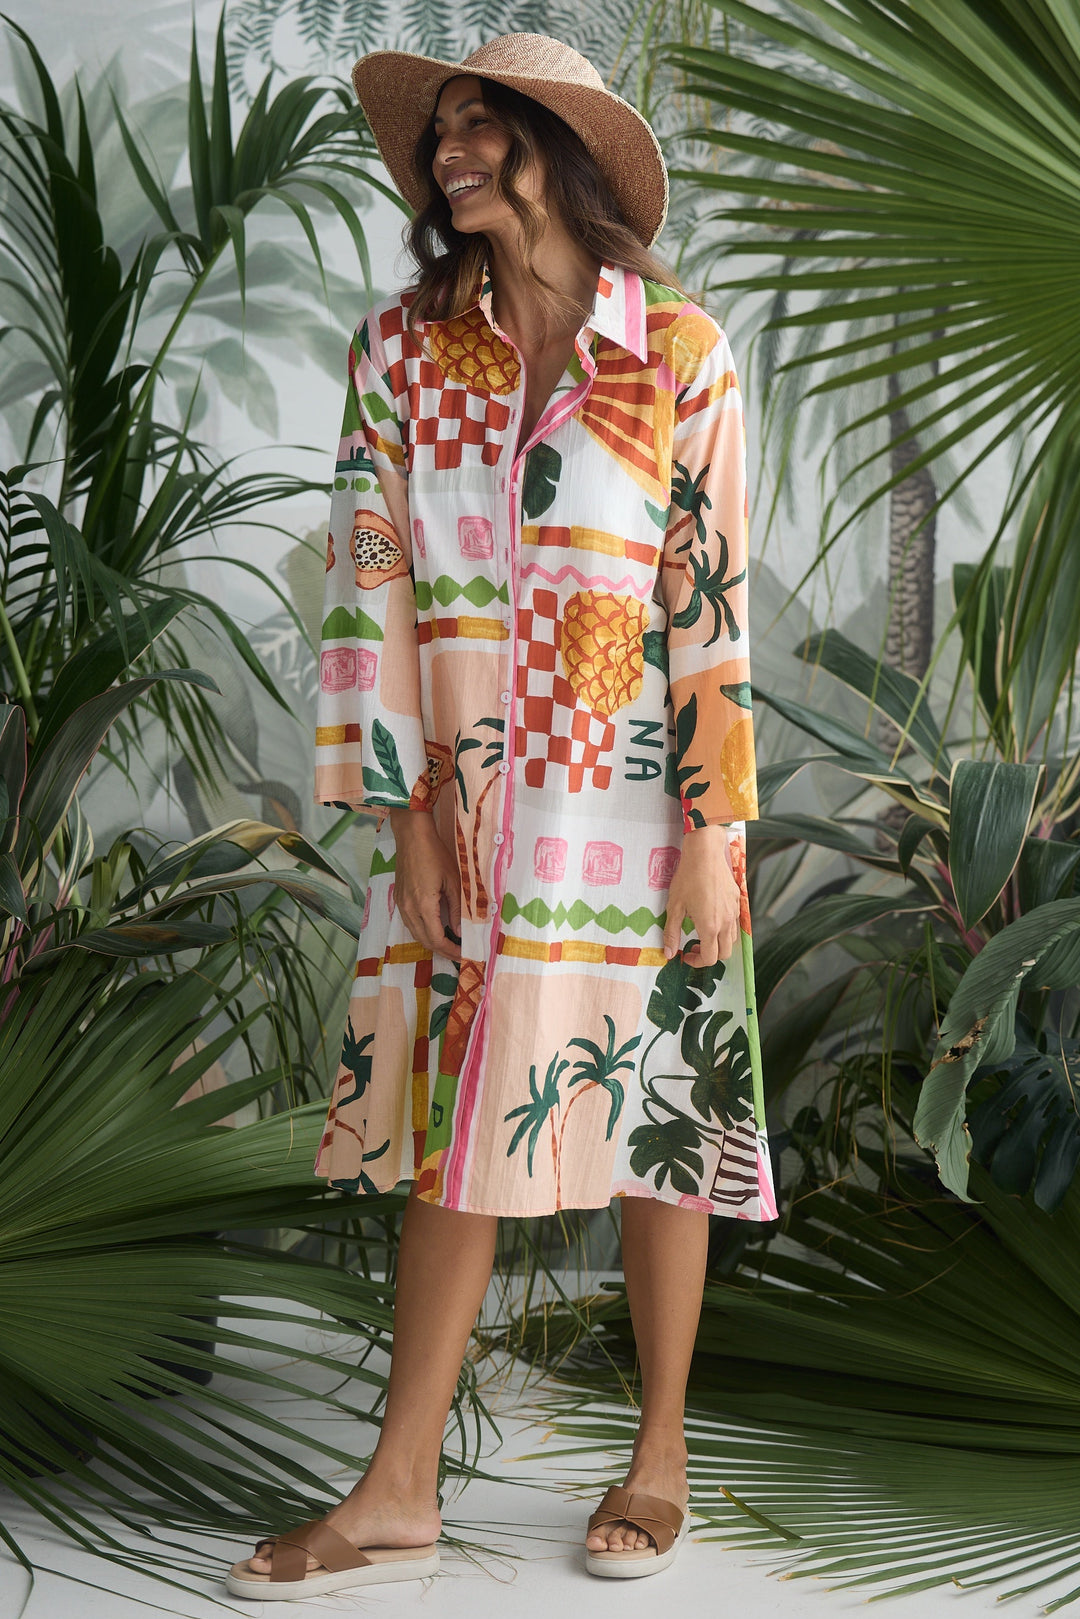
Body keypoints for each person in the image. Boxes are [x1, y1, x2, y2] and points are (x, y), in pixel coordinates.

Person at [226, 31, 776, 1603]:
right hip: (470, 811)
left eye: (484, 127)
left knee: (668, 1111)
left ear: (563, 150)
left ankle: (658, 1451)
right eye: (442, 132)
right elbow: (367, 596)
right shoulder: (400, 357)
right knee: (454, 1139)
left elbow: (712, 599)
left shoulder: (677, 353)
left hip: (640, 811)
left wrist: (711, 826)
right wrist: (400, 811)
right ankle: (400, 1484)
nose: (449, 151)